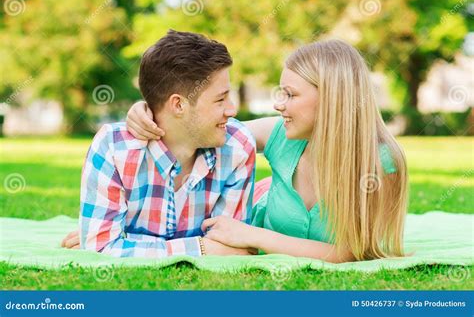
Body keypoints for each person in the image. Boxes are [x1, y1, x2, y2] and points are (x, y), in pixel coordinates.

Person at [126, 39, 408, 263]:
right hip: (253, 211)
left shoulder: (382, 163)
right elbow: (204, 126)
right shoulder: (281, 135)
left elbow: (350, 252)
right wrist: (150, 111)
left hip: (250, 231)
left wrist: (253, 236)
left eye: (291, 94)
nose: (279, 104)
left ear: (333, 99)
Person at [61, 30, 257, 257]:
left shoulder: (237, 147)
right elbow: (101, 248)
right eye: (220, 99)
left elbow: (233, 248)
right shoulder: (114, 148)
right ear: (178, 105)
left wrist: (126, 241)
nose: (232, 110)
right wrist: (202, 247)